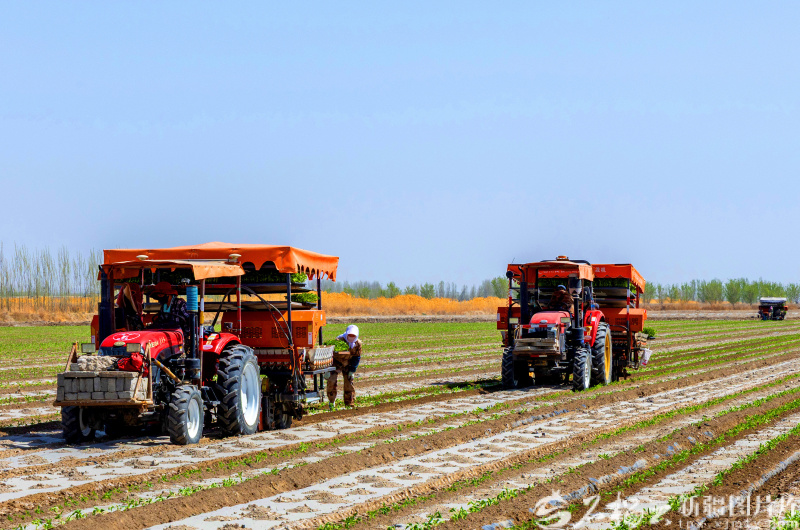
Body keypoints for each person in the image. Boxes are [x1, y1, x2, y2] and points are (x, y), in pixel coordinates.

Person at [326, 324, 362, 408]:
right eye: (350, 335)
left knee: (349, 383)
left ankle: (349, 403)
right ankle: (331, 402)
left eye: (353, 336)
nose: (351, 337)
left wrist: (352, 370)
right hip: (336, 363)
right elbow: (330, 355)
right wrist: (327, 369)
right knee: (331, 381)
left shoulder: (357, 344)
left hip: (348, 364)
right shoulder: (339, 341)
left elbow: (357, 357)